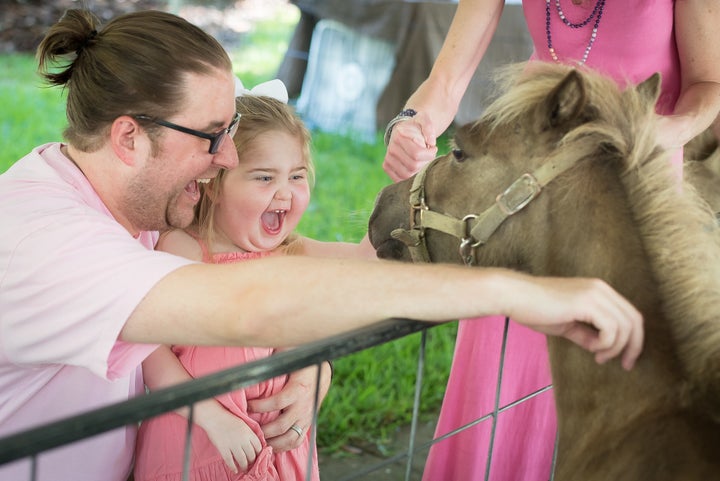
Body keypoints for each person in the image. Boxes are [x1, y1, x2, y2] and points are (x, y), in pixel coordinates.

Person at [0, 8, 644, 481]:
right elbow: (247, 302)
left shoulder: (135, 199)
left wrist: (313, 367)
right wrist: (509, 291)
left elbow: (288, 276)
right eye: (210, 137)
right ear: (128, 138)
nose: (226, 158)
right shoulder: (42, 241)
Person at [382, 1, 720, 480]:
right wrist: (411, 123)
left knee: (618, 374)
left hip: (633, 179)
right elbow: (446, 80)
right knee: (501, 374)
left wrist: (668, 131)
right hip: (526, 183)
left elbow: (711, 82)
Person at [134, 80, 375, 481]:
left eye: (297, 176)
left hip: (277, 454)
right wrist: (211, 417)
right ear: (214, 184)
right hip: (196, 449)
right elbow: (148, 354)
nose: (285, 193)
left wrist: (411, 177)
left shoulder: (291, 253)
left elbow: (370, 261)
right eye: (264, 178)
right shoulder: (185, 252)